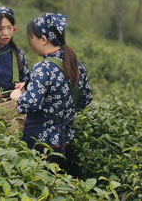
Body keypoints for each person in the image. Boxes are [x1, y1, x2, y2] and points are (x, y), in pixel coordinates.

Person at [10, 13, 93, 171]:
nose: (31, 43)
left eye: (32, 39)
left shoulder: (43, 68)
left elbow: (30, 104)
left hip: (41, 145)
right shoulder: (75, 65)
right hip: (65, 143)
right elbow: (86, 99)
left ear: (43, 39)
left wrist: (18, 96)